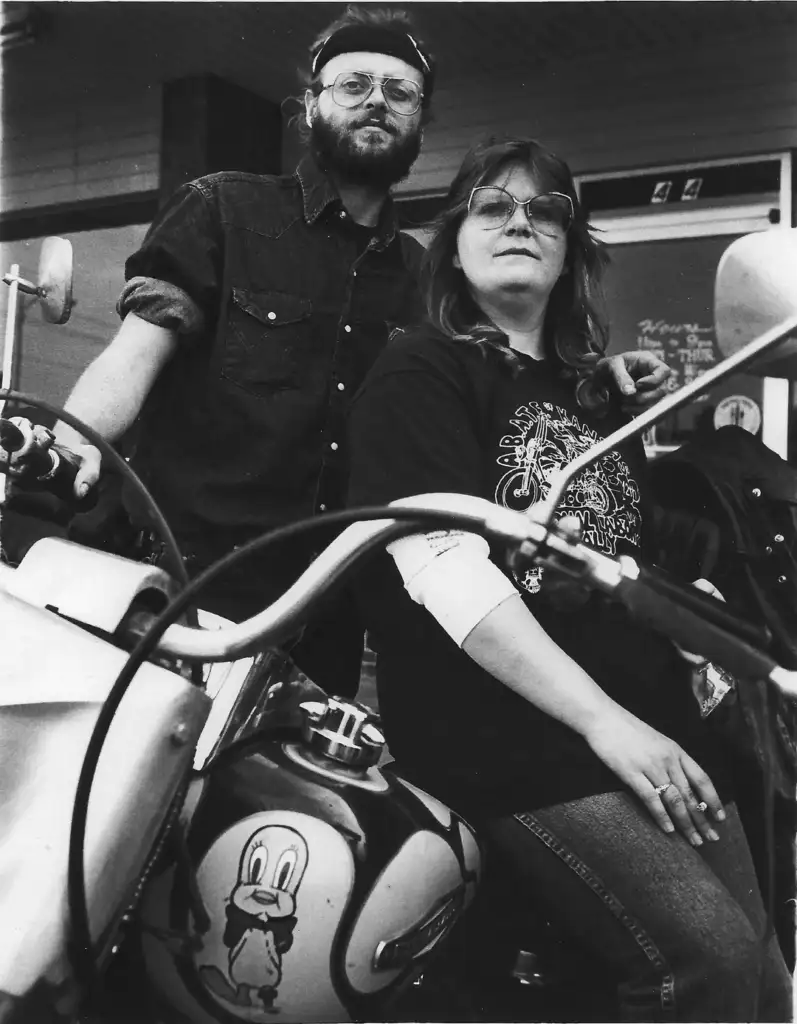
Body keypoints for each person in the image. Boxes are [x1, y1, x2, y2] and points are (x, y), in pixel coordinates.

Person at [26, 6, 668, 698]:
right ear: (309, 107)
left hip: (320, 622)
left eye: (399, 93)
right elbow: (134, 354)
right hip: (172, 591)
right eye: (353, 84)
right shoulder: (222, 212)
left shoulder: (432, 280)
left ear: (420, 122)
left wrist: (588, 380)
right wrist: (75, 440)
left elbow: (503, 381)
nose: (375, 103)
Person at [346, 135, 793, 1020]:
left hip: (652, 721)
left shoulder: (585, 392)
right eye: (492, 205)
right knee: (704, 958)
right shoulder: (419, 368)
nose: (519, 222)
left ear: (571, 248)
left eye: (545, 210)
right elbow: (443, 567)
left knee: (764, 978)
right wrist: (608, 725)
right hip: (514, 734)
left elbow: (613, 543)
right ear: (455, 238)